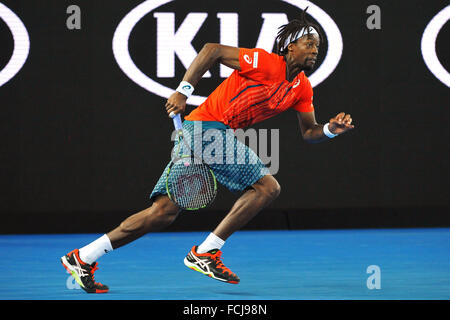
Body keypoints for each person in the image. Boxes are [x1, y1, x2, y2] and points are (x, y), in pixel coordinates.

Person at [61, 10, 354, 293]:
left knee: (162, 213)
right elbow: (212, 49)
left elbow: (309, 132)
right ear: (291, 47)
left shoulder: (302, 88)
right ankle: (205, 252)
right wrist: (183, 90)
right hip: (204, 128)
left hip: (201, 133)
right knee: (267, 187)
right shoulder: (265, 62)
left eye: (318, 46)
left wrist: (329, 130)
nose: (316, 50)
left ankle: (82, 257)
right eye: (310, 44)